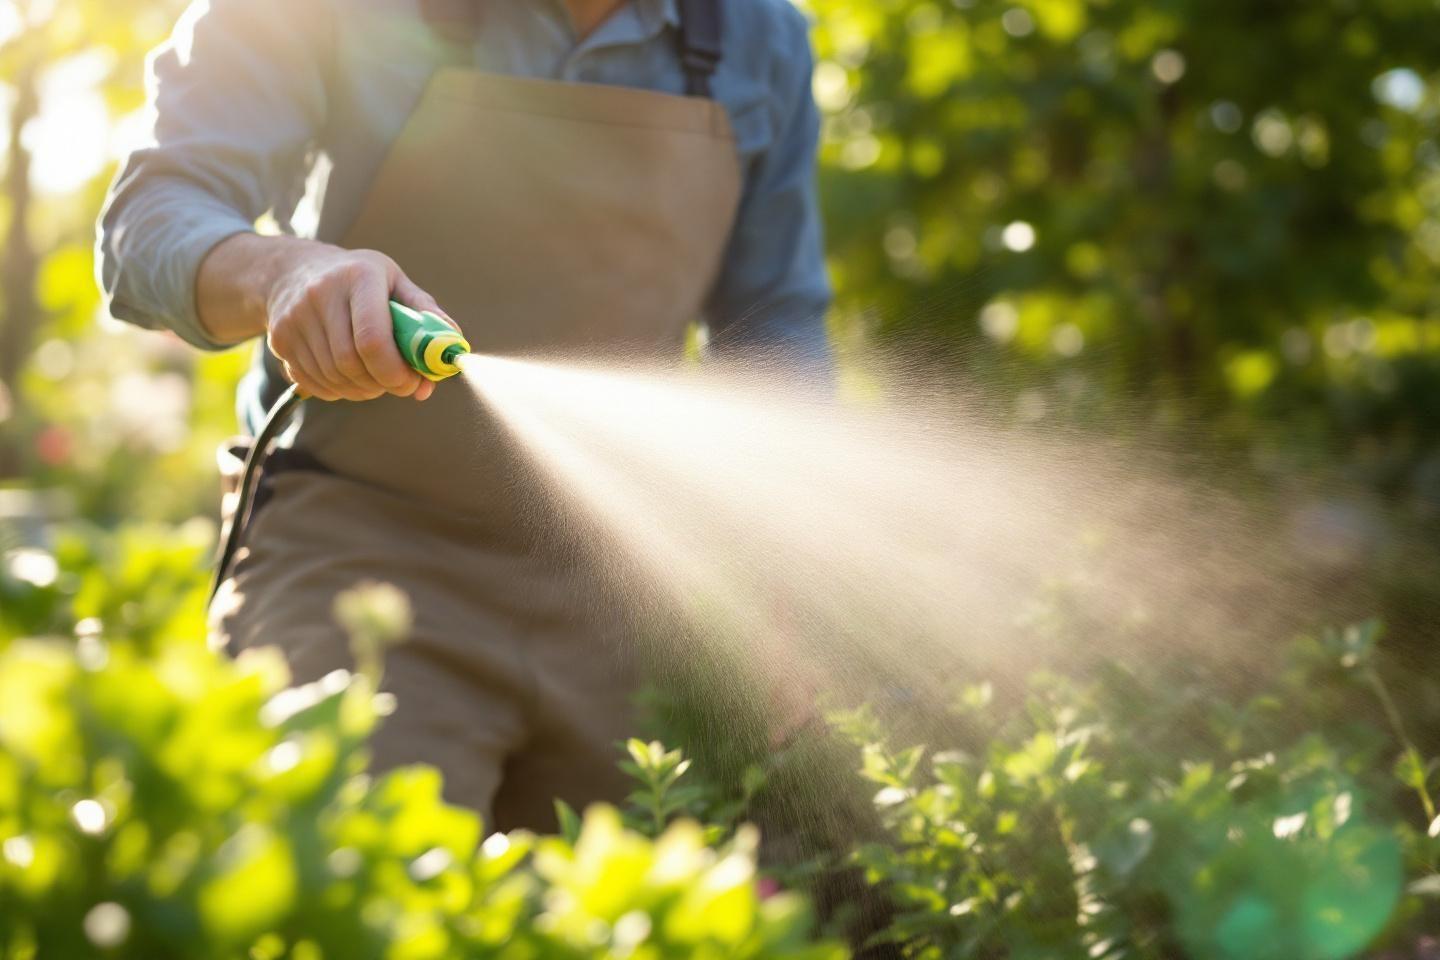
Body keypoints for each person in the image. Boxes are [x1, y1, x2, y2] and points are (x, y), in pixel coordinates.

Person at [97, 0, 831, 831]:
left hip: (621, 588)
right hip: (355, 553)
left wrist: (785, 573)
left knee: (639, 897)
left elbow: (776, 319)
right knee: (344, 870)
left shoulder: (761, 37)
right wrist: (282, 276)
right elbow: (148, 218)